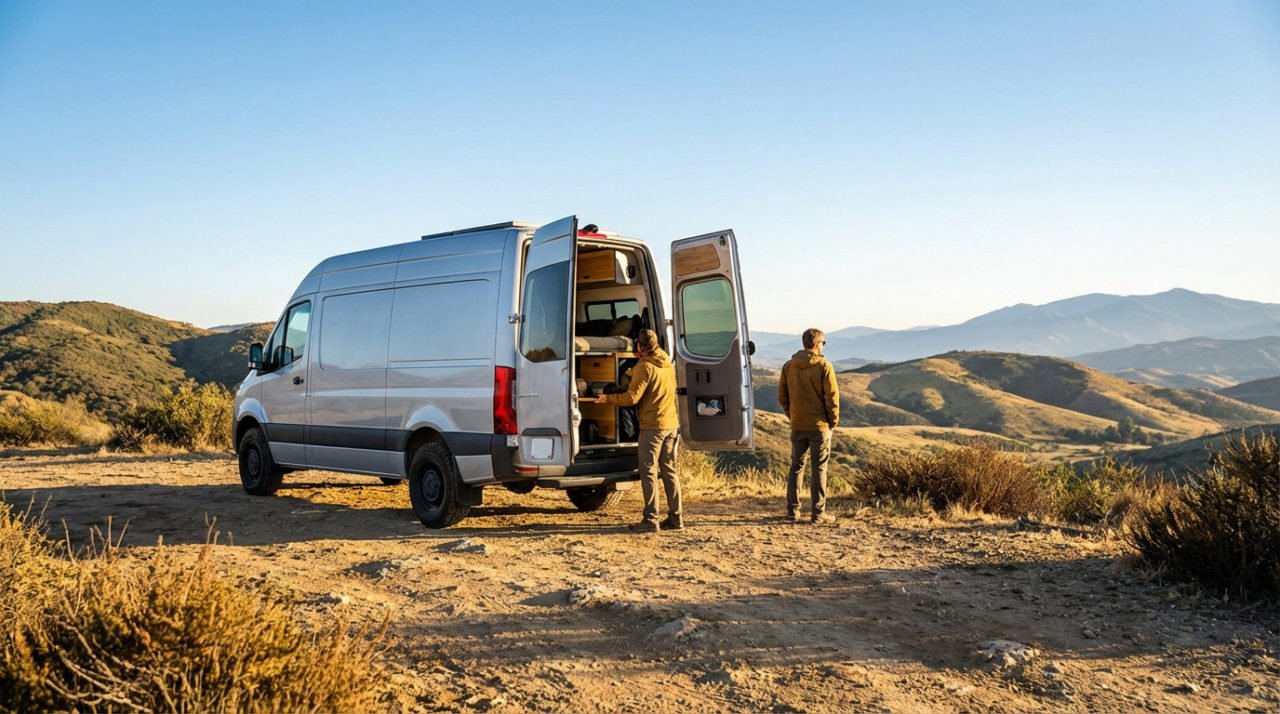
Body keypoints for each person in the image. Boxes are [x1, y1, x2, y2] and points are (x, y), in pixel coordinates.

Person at [585, 328, 682, 532]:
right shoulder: (666, 363)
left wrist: (607, 399)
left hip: (653, 427)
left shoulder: (644, 366)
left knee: (648, 471)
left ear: (639, 346)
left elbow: (631, 398)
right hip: (671, 425)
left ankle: (651, 519)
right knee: (669, 471)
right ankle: (676, 518)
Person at [777, 328, 840, 523]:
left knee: (796, 466)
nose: (823, 346)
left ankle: (792, 511)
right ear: (816, 344)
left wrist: (792, 415)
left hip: (798, 425)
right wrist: (832, 421)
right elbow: (832, 398)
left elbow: (782, 396)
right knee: (819, 469)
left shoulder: (789, 366)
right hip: (819, 426)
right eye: (823, 342)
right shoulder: (824, 366)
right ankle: (818, 513)